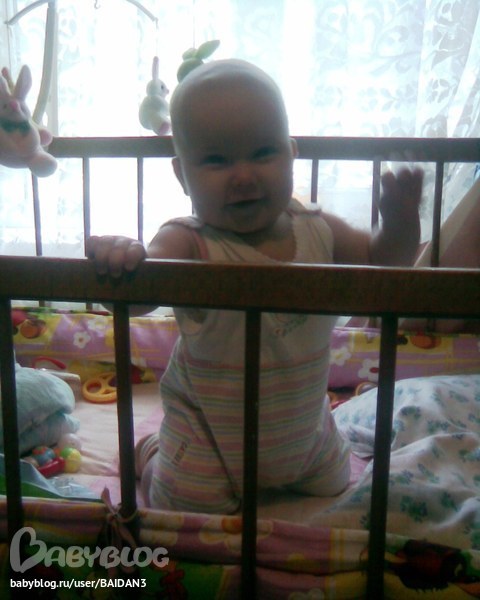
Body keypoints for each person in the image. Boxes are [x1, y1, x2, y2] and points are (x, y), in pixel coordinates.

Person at [87, 59, 423, 514]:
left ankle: (289, 465)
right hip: (209, 436)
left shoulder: (318, 229)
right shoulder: (188, 241)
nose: (244, 176)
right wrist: (122, 262)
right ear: (182, 175)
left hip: (303, 433)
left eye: (263, 153)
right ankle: (151, 455)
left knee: (335, 482)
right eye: (217, 160)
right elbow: (139, 296)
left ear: (291, 154)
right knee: (183, 506)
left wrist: (400, 224)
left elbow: (384, 264)